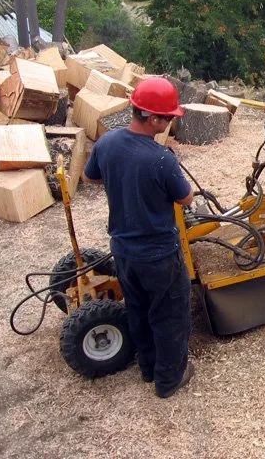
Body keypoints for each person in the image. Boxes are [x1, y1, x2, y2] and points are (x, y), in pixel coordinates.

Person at [83, 77, 195, 398]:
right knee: (170, 316)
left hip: (124, 252)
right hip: (159, 255)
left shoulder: (107, 143)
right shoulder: (160, 159)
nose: (170, 123)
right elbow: (186, 199)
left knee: (139, 310)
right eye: (169, 118)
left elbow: (90, 178)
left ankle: (148, 368)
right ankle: (169, 380)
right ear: (153, 118)